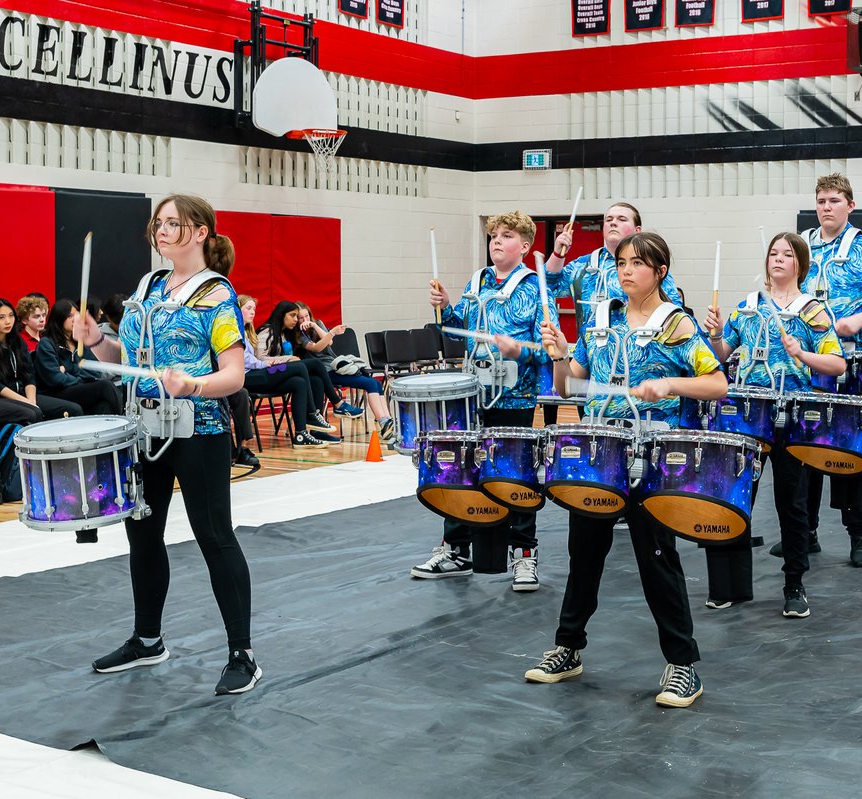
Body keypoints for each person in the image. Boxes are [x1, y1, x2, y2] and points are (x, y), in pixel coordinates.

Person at [525, 231, 727, 709]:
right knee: (584, 554)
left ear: (660, 272)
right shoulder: (601, 319)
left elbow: (717, 382)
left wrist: (670, 384)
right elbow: (569, 386)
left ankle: (683, 666)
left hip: (651, 456)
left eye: (638, 263)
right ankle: (568, 648)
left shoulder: (675, 323)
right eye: (621, 263)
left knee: (657, 558)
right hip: (600, 451)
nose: (626, 270)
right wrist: (557, 355)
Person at [72, 193, 261, 696]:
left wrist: (194, 384)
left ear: (201, 233)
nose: (161, 230)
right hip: (145, 428)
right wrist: (95, 340)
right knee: (144, 536)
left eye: (174, 223)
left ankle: (242, 653)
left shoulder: (217, 295)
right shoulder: (149, 286)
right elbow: (125, 356)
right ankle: (147, 638)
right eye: (159, 222)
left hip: (199, 432)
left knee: (214, 537)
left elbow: (235, 377)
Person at [703, 232, 846, 617]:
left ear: (800, 262)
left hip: (791, 417)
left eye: (786, 254)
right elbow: (719, 356)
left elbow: (838, 363)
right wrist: (715, 333)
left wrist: (802, 353)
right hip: (747, 415)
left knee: (791, 504)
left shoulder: (812, 311)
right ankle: (730, 586)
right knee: (735, 499)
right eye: (772, 253)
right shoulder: (748, 308)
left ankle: (794, 585)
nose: (778, 259)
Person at [412, 210, 555, 591]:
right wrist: (444, 307)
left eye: (506, 235)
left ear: (524, 246)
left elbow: (550, 348)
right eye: (493, 235)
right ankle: (456, 549)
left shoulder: (535, 287)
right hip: (473, 393)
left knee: (516, 477)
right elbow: (458, 330)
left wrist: (520, 350)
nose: (496, 241)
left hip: (515, 397)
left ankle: (524, 554)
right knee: (462, 472)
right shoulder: (478, 280)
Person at [782, 174, 862, 568]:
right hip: (805, 365)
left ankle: (860, 536)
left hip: (852, 364)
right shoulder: (799, 247)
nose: (826, 207)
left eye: (834, 200)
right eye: (821, 200)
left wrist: (855, 322)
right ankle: (806, 532)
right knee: (804, 451)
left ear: (850, 206)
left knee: (849, 450)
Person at [544, 203, 683, 333]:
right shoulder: (584, 265)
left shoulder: (649, 266)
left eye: (622, 219)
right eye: (608, 219)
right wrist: (557, 254)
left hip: (639, 351)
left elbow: (672, 312)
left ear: (637, 230)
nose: (613, 222)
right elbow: (548, 287)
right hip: (590, 353)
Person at [238, 295, 336, 449]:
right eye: (248, 308)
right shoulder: (236, 331)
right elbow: (247, 360)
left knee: (299, 382)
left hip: (259, 371)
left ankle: (300, 434)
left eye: (254, 309)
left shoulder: (246, 331)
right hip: (248, 376)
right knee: (300, 366)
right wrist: (271, 362)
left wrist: (271, 362)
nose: (253, 312)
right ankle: (314, 413)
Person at [294, 302, 395, 444]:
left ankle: (388, 421)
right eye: (301, 318)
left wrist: (316, 326)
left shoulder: (317, 324)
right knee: (371, 384)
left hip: (336, 366)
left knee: (376, 384)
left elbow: (329, 342)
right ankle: (384, 422)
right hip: (325, 372)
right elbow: (318, 347)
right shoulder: (299, 336)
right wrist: (332, 332)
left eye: (307, 316)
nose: (305, 320)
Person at [257, 301, 361, 429]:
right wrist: (289, 358)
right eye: (293, 316)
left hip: (280, 370)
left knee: (316, 381)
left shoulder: (284, 333)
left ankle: (316, 427)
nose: (296, 319)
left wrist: (289, 358)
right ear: (282, 315)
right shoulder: (266, 331)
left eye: (297, 316)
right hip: (267, 373)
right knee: (315, 364)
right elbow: (261, 359)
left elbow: (329, 343)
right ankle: (337, 403)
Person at [0, 299, 80, 422]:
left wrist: (31, 400)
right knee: (33, 413)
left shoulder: (18, 342)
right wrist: (28, 403)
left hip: (27, 395)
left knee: (74, 409)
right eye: (1, 317)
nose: (8, 321)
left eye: (11, 316)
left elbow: (29, 374)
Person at [32, 299, 124, 416]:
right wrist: (80, 378)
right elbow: (54, 379)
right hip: (56, 393)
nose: (75, 319)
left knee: (103, 406)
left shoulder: (79, 342)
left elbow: (95, 371)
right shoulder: (47, 343)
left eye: (76, 315)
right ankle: (124, 422)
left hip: (77, 388)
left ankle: (109, 432)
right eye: (70, 316)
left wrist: (68, 369)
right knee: (105, 386)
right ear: (59, 318)